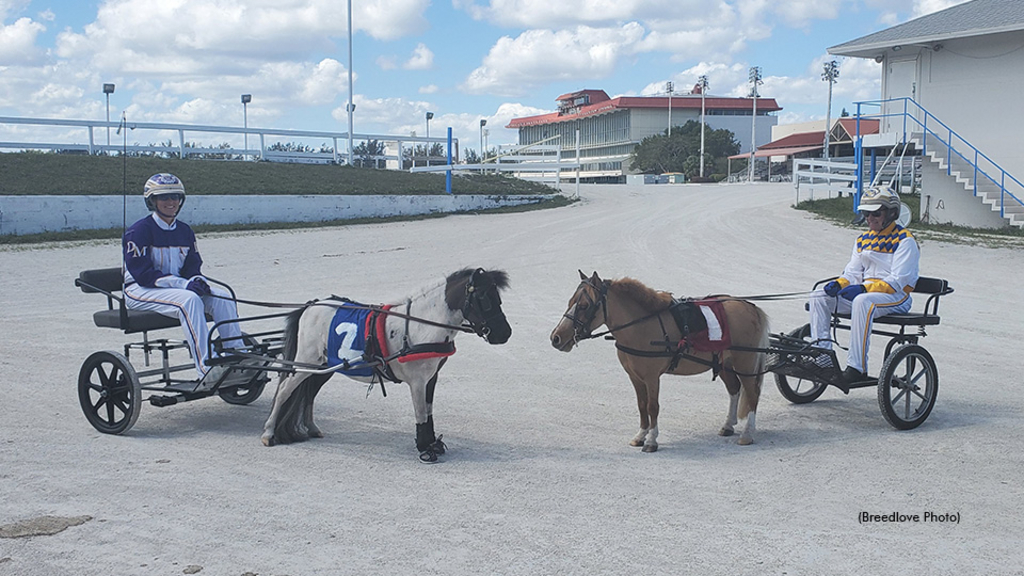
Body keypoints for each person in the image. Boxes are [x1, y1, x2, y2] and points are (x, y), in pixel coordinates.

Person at [122, 173, 244, 391]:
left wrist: (197, 280)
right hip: (139, 290)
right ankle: (206, 367)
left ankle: (239, 355)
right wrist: (184, 285)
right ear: (151, 201)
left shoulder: (184, 230)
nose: (171, 203)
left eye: (176, 197)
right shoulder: (139, 231)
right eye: (164, 198)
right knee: (188, 300)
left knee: (222, 296)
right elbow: (143, 274)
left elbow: (192, 265)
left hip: (173, 289)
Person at [808, 186, 920, 385]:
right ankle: (822, 358)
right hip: (868, 295)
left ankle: (856, 368)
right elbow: (852, 273)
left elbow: (898, 281)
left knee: (862, 302)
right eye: (866, 213)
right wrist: (839, 283)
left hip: (896, 297)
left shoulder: (905, 241)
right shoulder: (862, 239)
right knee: (819, 295)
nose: (870, 218)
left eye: (876, 213)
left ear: (892, 213)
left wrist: (864, 289)